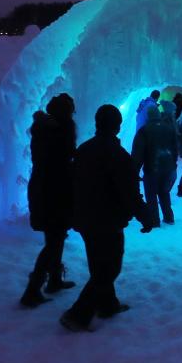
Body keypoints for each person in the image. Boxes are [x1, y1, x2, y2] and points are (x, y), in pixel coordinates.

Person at [60, 105, 143, 332]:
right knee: (109, 268)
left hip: (85, 219)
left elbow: (70, 184)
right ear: (116, 125)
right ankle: (78, 314)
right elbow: (130, 192)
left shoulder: (84, 150)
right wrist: (145, 216)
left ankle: (108, 304)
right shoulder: (117, 155)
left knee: (99, 264)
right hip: (107, 221)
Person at [20, 94, 78, 308]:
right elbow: (62, 160)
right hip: (54, 190)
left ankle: (54, 279)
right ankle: (33, 289)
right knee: (54, 239)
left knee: (56, 236)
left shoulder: (45, 129)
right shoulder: (57, 131)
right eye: (70, 110)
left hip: (46, 188)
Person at [132, 103, 178, 228]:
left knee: (151, 195)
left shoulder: (144, 130)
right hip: (168, 167)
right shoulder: (168, 128)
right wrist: (174, 164)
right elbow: (175, 148)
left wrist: (134, 170)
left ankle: (154, 220)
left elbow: (138, 152)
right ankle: (169, 217)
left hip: (152, 168)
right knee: (164, 193)